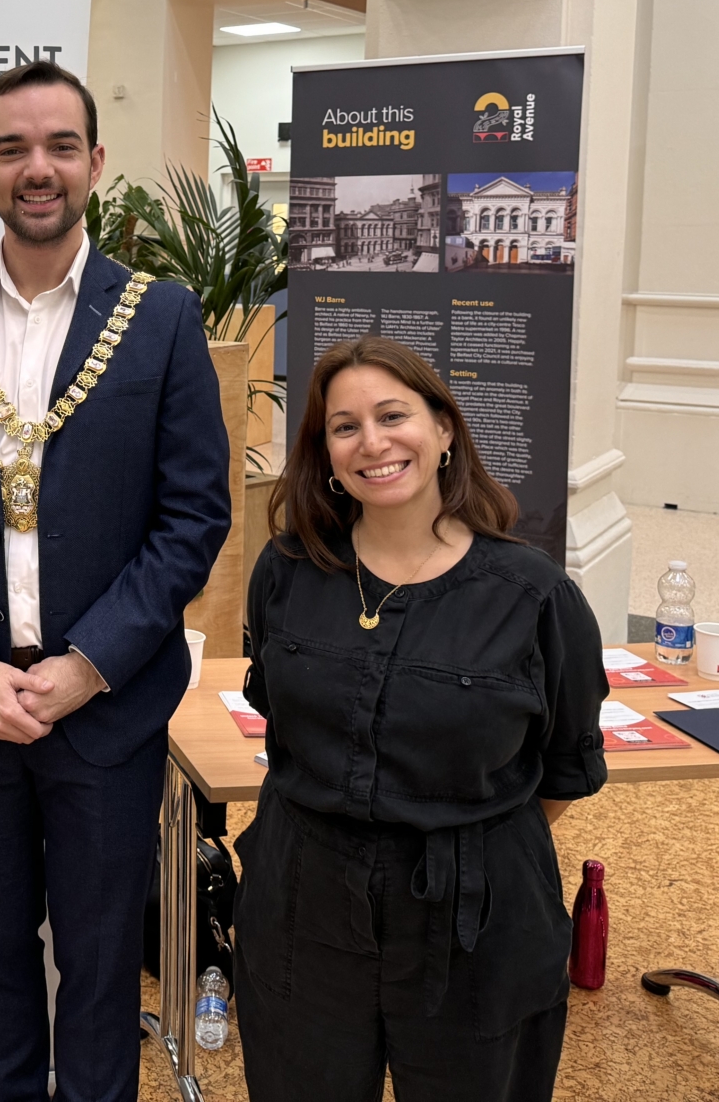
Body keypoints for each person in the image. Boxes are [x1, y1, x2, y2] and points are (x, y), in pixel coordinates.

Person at [0, 59, 231, 1102]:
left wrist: (90, 664)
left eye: (60, 146)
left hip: (106, 713)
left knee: (105, 970)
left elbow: (194, 515)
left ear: (95, 164)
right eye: (14, 149)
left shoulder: (159, 318)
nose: (39, 169)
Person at [232, 335, 606, 1102]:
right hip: (302, 896)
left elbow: (565, 765)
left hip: (476, 918)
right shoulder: (287, 570)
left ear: (443, 430)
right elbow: (278, 710)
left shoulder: (532, 594)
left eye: (392, 414)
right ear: (325, 452)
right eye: (344, 426)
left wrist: (465, 830)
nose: (372, 441)